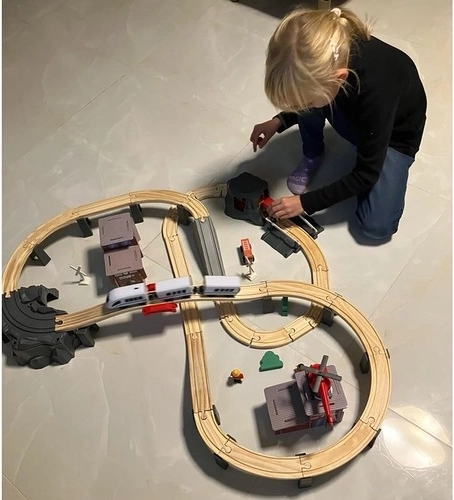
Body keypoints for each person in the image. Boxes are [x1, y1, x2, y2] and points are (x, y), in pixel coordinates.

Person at [250, 7, 426, 240]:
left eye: (304, 103)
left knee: (376, 226)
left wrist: (305, 202)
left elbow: (366, 173)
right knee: (316, 100)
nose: (301, 108)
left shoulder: (377, 89)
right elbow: (311, 97)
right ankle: (313, 154)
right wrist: (280, 120)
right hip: (355, 113)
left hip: (394, 137)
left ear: (339, 78)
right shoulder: (328, 63)